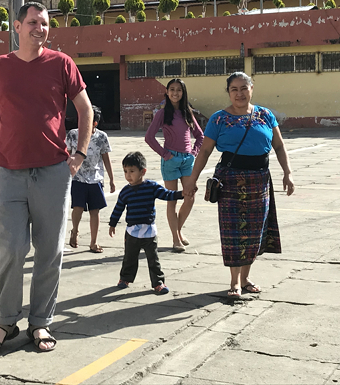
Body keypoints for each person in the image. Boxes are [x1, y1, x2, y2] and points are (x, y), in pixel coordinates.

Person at [0, 2, 93, 353]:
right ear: (17, 26)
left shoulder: (61, 63)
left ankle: (40, 323)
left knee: (49, 251)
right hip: (8, 172)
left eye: (44, 24)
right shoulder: (1, 66)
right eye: (32, 22)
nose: (39, 28)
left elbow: (85, 109)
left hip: (53, 172)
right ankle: (5, 322)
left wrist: (80, 155)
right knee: (11, 246)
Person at [184, 72, 294, 298]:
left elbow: (280, 147)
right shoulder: (219, 119)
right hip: (230, 181)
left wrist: (287, 173)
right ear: (228, 92)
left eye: (244, 88)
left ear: (252, 88)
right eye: (234, 89)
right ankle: (234, 282)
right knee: (233, 233)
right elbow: (204, 151)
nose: (239, 93)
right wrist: (192, 181)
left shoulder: (265, 115)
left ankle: (245, 279)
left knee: (254, 232)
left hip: (259, 181)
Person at [109, 151, 184, 295]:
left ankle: (158, 283)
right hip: (132, 232)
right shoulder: (125, 192)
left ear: (143, 171)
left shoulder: (151, 187)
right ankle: (125, 279)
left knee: (153, 259)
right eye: (125, 171)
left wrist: (181, 194)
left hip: (149, 232)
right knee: (129, 258)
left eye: (132, 171)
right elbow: (118, 208)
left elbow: (167, 194)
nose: (128, 175)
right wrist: (112, 223)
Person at [145, 78, 204, 253]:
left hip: (187, 161)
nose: (175, 93)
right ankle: (175, 239)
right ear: (167, 92)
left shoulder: (188, 112)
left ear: (183, 93)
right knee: (172, 200)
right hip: (170, 160)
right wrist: (165, 154)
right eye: (172, 89)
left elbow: (200, 136)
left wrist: (194, 153)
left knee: (190, 196)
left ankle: (178, 230)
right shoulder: (162, 114)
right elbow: (149, 137)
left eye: (179, 90)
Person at [66, 105, 116, 253]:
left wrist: (111, 179)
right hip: (78, 178)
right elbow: (66, 155)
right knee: (78, 208)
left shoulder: (101, 137)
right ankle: (75, 231)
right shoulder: (73, 135)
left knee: (95, 210)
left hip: (95, 178)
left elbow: (106, 158)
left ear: (95, 123)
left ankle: (94, 242)